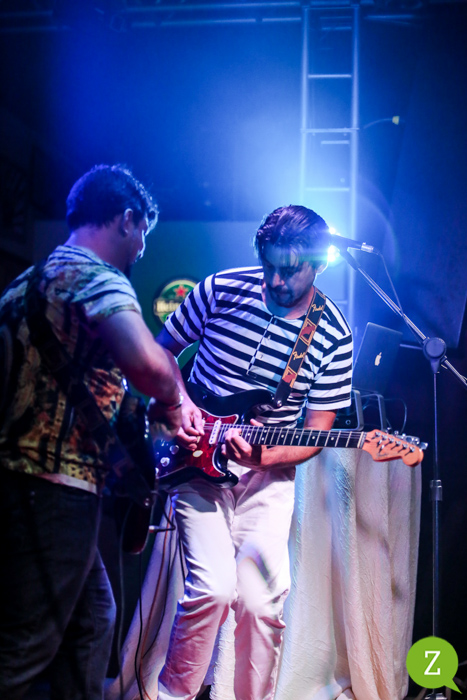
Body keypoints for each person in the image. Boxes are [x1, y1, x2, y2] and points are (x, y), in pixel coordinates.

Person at [155, 204, 353, 700]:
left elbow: (316, 433)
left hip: (266, 476)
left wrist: (262, 459)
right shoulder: (220, 289)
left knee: (263, 605)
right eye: (269, 266)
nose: (276, 280)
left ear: (319, 264)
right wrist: (182, 406)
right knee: (212, 590)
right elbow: (161, 352)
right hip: (195, 461)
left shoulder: (333, 334)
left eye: (291, 270)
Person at [0, 164, 183, 700]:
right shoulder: (96, 276)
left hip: (20, 483)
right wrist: (173, 397)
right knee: (25, 648)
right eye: (142, 235)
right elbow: (149, 368)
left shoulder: (23, 284)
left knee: (93, 622)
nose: (140, 250)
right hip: (55, 489)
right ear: (127, 219)